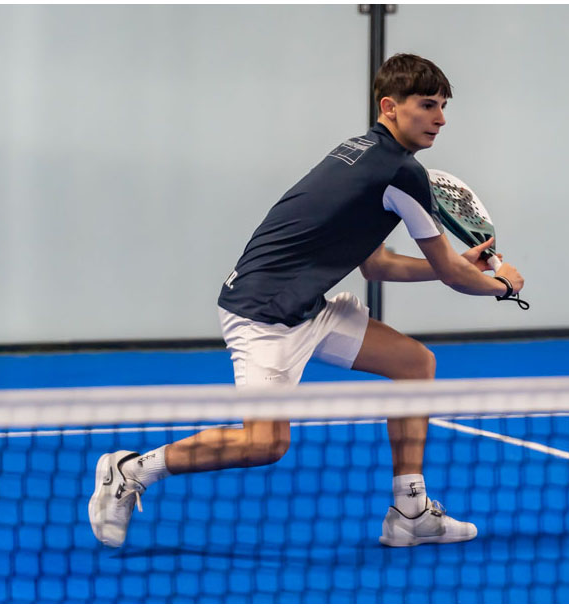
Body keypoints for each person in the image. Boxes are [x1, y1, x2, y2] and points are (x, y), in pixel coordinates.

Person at [89, 53, 525, 548]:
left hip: (305, 308)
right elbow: (448, 273)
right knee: (264, 444)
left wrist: (461, 266)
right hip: (262, 313)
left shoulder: (362, 152)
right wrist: (502, 285)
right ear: (390, 106)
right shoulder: (401, 173)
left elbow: (377, 264)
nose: (440, 118)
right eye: (428, 105)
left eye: (443, 106)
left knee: (414, 364)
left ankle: (410, 512)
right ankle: (131, 470)